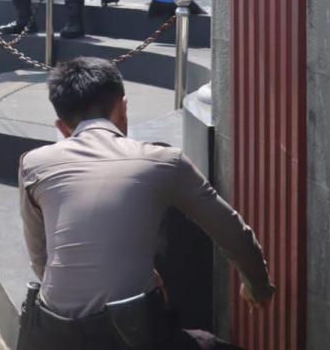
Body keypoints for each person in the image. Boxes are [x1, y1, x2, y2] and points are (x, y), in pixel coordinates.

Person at [16, 58, 275, 349]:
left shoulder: (34, 164)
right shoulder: (164, 161)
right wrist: (258, 286)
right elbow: (232, 233)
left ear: (62, 128)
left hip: (51, 333)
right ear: (123, 108)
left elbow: (42, 258)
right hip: (132, 333)